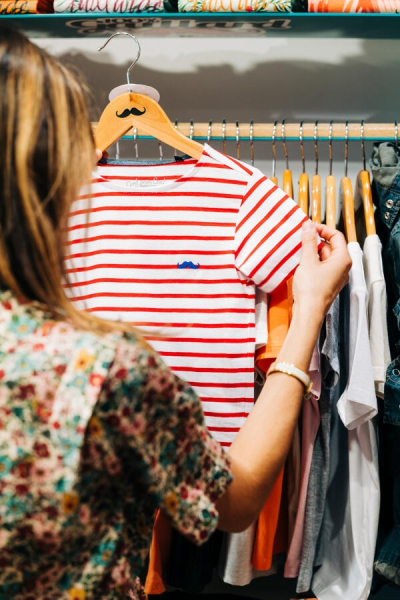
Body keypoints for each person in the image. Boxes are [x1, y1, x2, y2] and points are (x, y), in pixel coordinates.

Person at [0, 26, 351, 600]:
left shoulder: (236, 192)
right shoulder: (106, 367)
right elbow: (231, 504)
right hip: (196, 469)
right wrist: (309, 308)